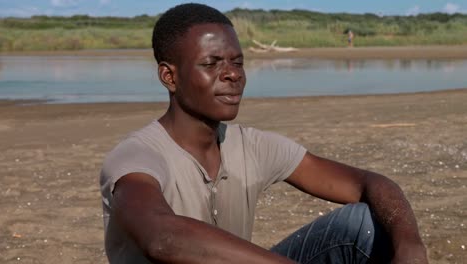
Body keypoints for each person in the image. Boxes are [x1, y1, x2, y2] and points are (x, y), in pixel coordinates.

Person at [99, 3, 427, 263]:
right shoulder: (138, 155)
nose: (231, 75)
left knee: (366, 223)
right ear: (169, 77)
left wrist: (411, 247)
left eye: (237, 62)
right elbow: (161, 238)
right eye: (211, 64)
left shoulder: (251, 146)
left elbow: (369, 184)